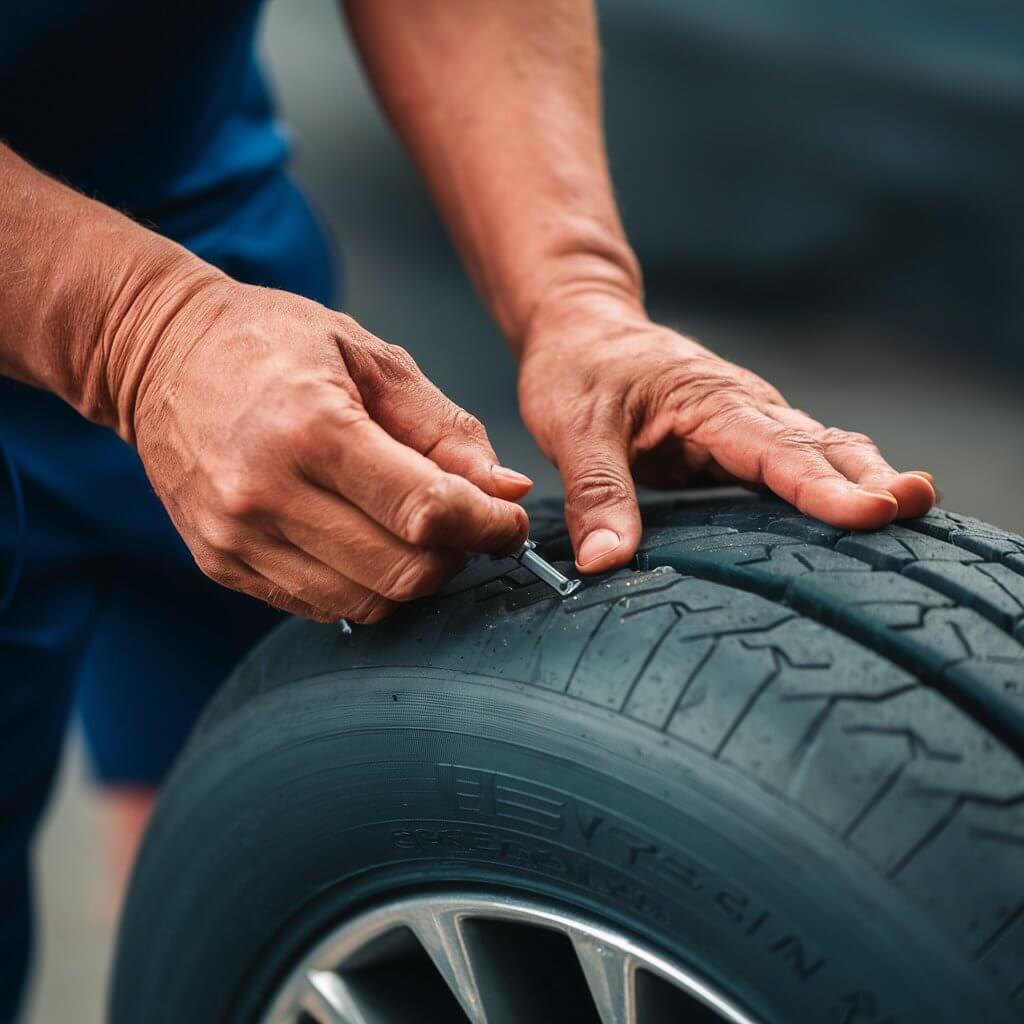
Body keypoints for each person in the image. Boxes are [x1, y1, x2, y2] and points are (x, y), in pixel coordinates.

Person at [0, 1, 936, 1017]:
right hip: (130, 304)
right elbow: (134, 324)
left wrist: (577, 292)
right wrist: (135, 329)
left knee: (240, 848)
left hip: (215, 244)